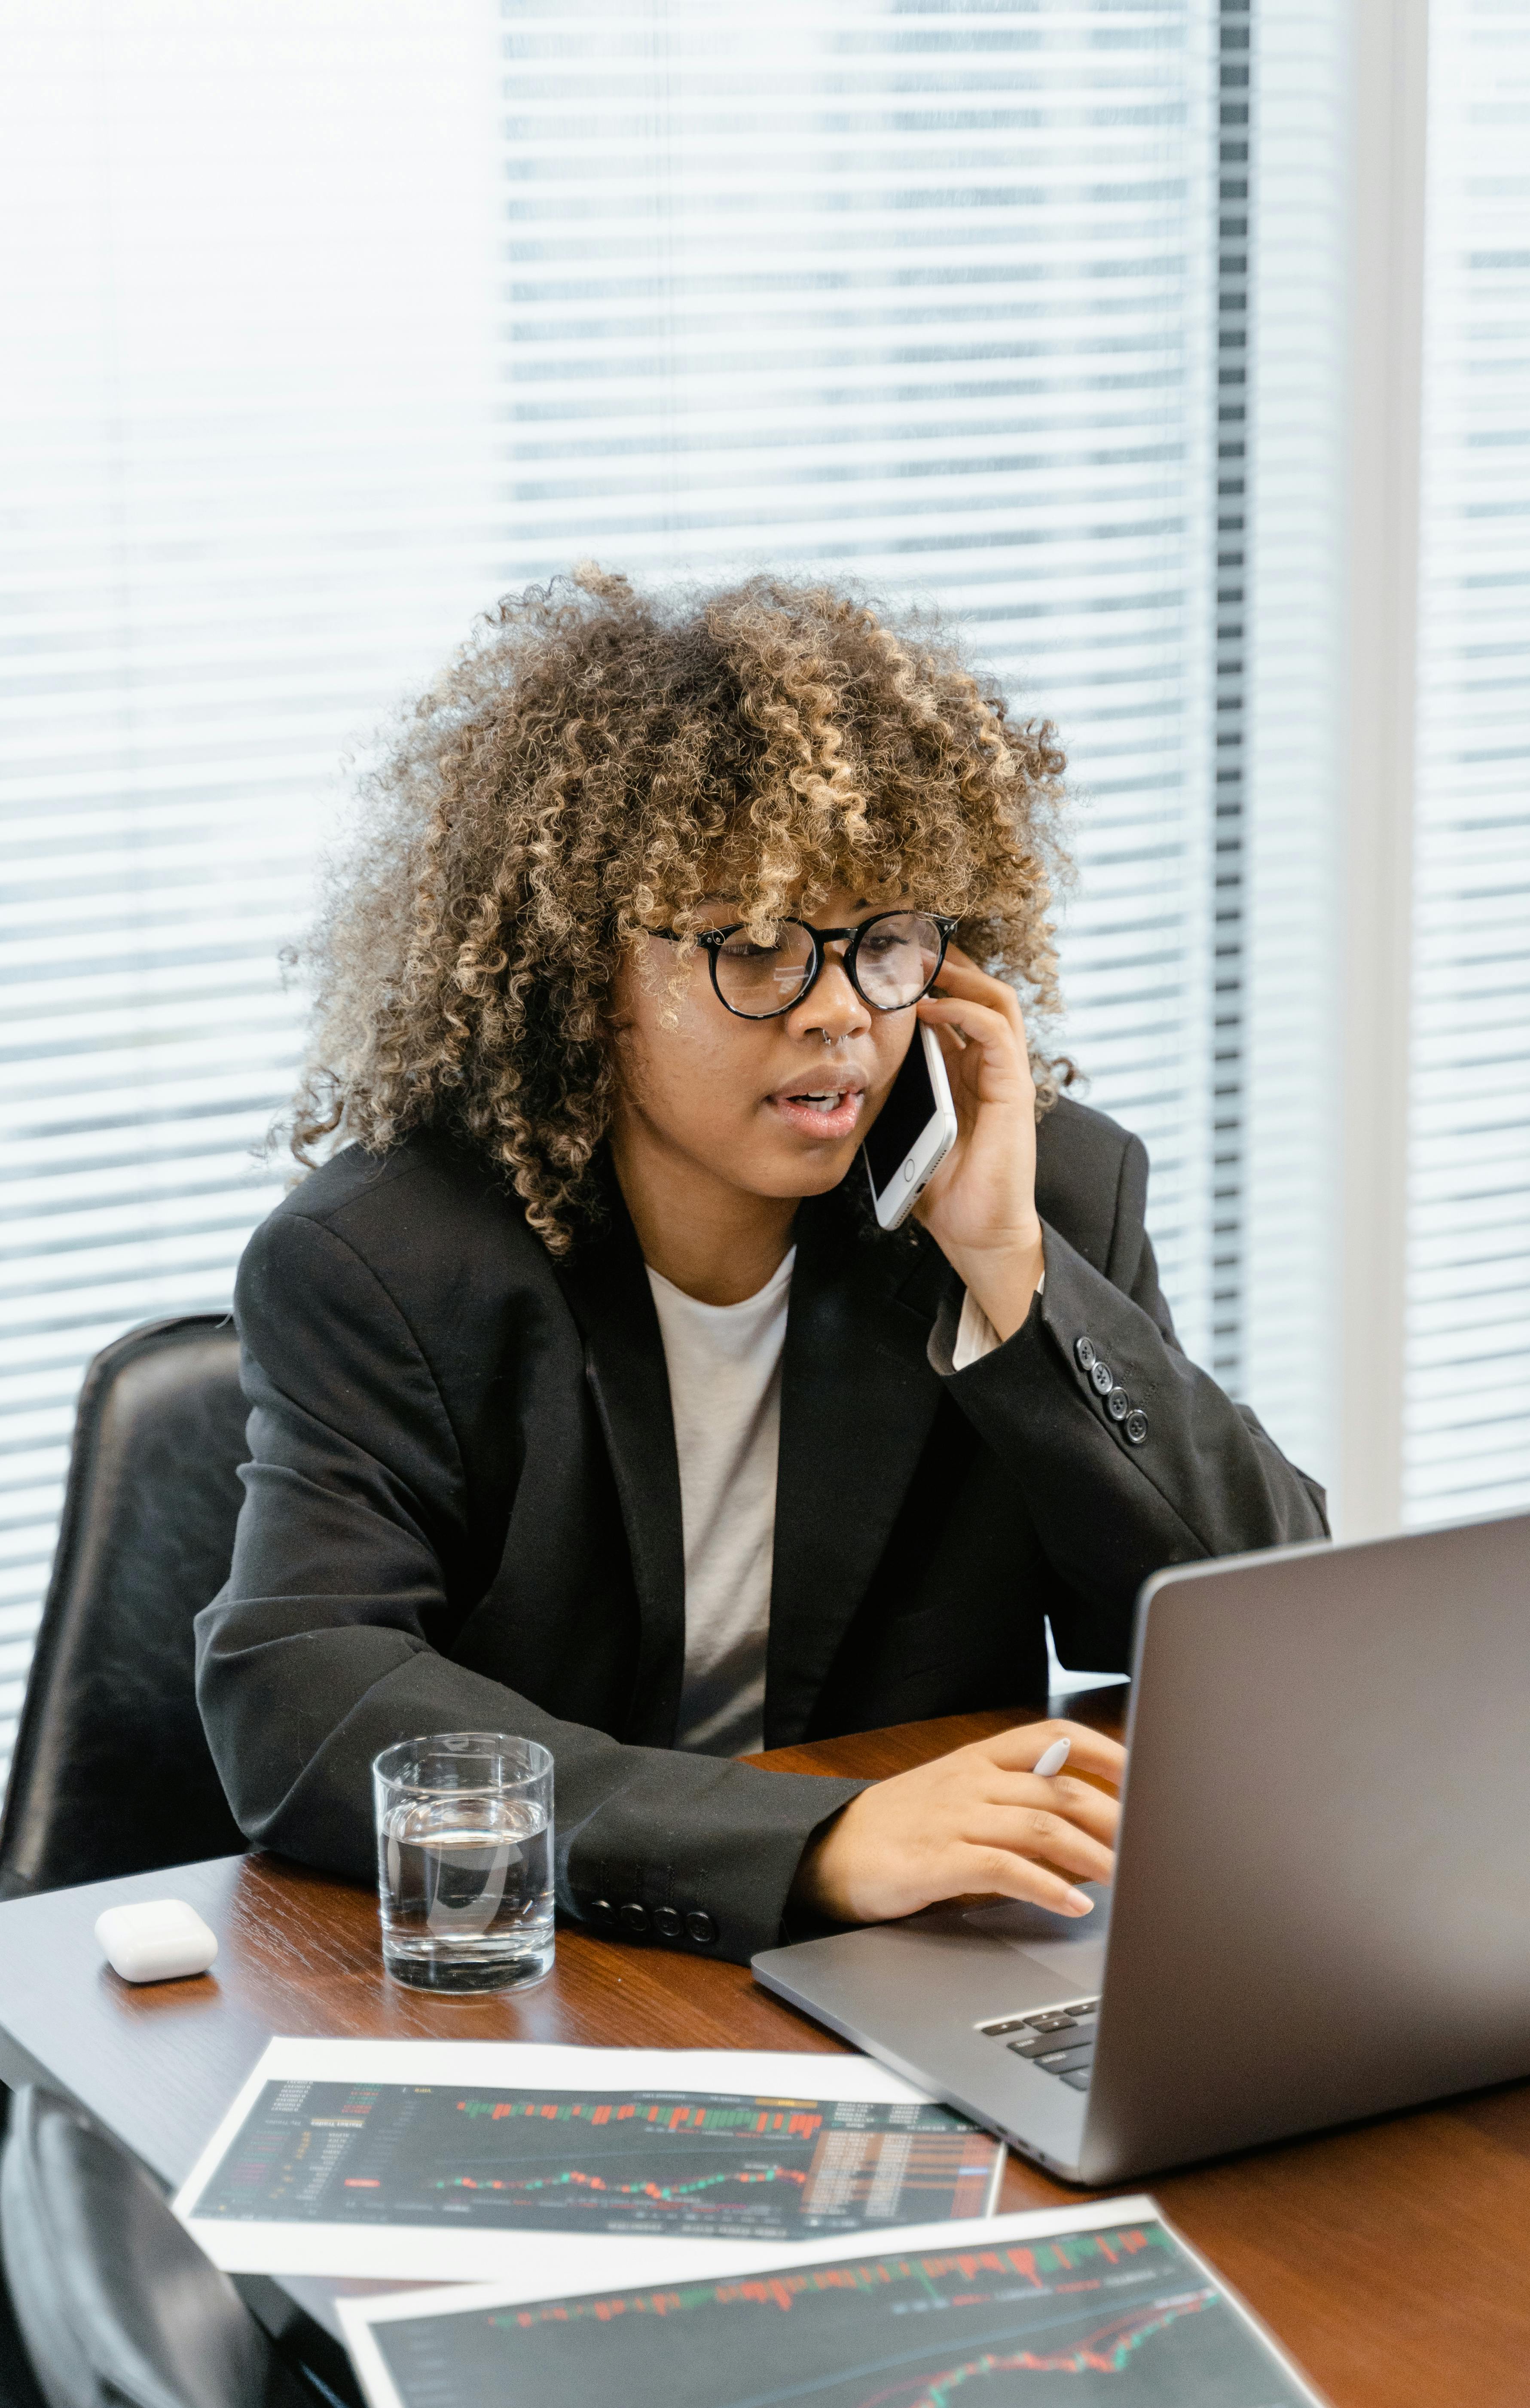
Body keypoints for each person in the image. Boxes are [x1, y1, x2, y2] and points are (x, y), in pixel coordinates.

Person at [194, 569, 1326, 1965]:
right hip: (563, 1963)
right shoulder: (386, 1264)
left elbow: (1262, 1624)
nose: (841, 1012)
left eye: (884, 943)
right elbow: (299, 1693)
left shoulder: (1034, 1197)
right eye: (753, 948)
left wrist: (1011, 1269)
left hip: (921, 1961)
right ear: (583, 978)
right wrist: (819, 1845)